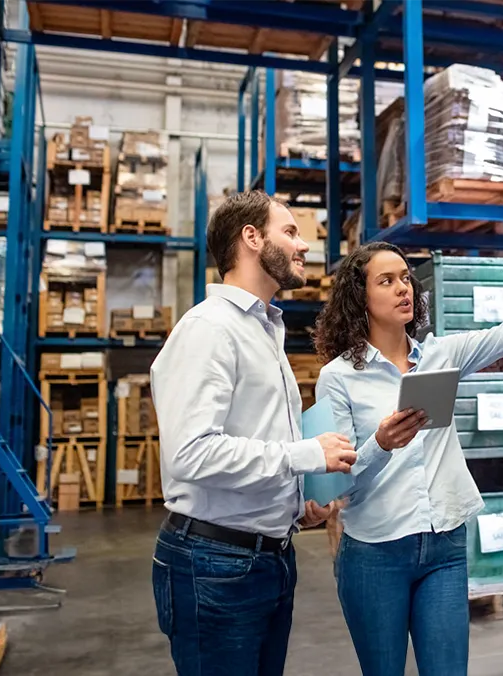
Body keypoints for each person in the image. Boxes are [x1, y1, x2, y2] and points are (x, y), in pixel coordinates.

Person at [312, 241, 503, 675]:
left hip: (444, 546)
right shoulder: (338, 378)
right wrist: (380, 445)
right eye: (386, 281)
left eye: (405, 278)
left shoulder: (441, 355)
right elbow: (338, 482)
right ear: (359, 297)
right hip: (375, 553)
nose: (403, 288)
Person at [149, 190, 358, 676]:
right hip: (216, 565)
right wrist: (305, 456)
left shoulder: (263, 329)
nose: (303, 245)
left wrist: (292, 504)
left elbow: (254, 435)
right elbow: (191, 454)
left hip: (267, 558)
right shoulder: (209, 329)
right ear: (251, 238)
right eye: (290, 232)